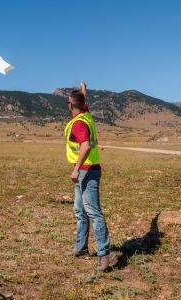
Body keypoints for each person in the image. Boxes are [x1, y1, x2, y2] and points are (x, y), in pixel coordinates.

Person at [64, 80, 117, 272]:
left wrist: (76, 168)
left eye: (68, 102)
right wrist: (84, 90)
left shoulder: (79, 123)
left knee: (93, 212)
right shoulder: (85, 114)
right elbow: (83, 102)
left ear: (70, 105)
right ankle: (82, 248)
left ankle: (105, 255)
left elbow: (85, 145)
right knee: (80, 211)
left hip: (86, 171)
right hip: (88, 170)